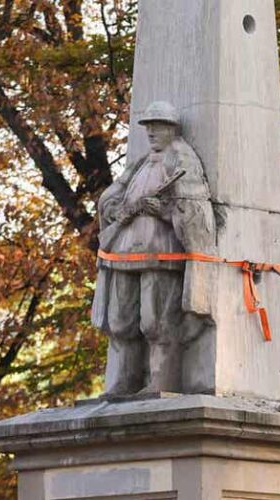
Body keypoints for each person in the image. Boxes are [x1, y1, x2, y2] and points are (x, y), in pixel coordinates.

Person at [91, 101, 216, 396]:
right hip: (123, 253)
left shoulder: (181, 160)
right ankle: (125, 380)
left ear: (172, 128)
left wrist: (162, 209)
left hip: (162, 253)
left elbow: (193, 210)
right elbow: (111, 199)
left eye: (157, 125)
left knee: (156, 321)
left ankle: (162, 380)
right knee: (120, 320)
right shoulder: (141, 162)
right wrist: (122, 209)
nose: (150, 132)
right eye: (148, 126)